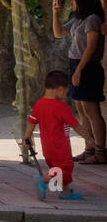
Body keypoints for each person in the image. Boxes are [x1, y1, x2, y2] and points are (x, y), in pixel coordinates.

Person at [51, 0, 106, 165]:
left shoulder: (92, 20)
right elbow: (58, 33)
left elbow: (91, 46)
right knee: (82, 109)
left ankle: (100, 151)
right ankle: (89, 148)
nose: (72, 2)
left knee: (92, 110)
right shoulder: (78, 20)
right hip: (76, 63)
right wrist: (55, 13)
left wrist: (80, 70)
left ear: (82, 1)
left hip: (87, 65)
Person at [24, 69, 85, 201]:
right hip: (60, 146)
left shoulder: (39, 104)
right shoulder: (61, 107)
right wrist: (89, 139)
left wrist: (27, 138)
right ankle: (44, 180)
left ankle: (65, 192)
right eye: (66, 91)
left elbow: (31, 122)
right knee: (65, 167)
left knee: (56, 168)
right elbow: (76, 126)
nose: (66, 94)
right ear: (60, 89)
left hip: (47, 146)